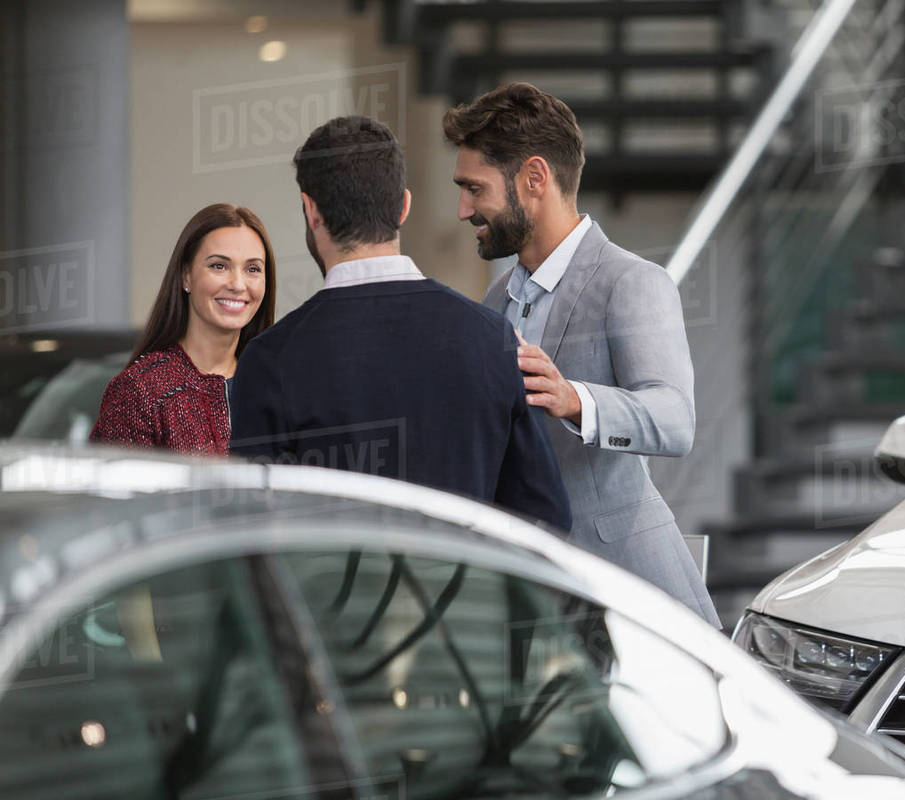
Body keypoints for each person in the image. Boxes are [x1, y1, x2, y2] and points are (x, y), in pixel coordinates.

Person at [444, 83, 720, 626]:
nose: (462, 209)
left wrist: (576, 400)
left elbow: (675, 418)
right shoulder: (495, 300)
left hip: (637, 600)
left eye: (474, 189)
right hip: (535, 601)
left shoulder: (633, 282)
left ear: (535, 178)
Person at [229, 115, 570, 531]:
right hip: (464, 594)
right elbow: (547, 520)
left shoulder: (270, 360)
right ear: (404, 206)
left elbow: (250, 534)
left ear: (311, 210)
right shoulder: (494, 340)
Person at [90, 203, 276, 454]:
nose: (238, 284)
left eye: (252, 269)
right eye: (219, 266)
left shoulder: (279, 385)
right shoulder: (140, 391)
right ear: (186, 275)